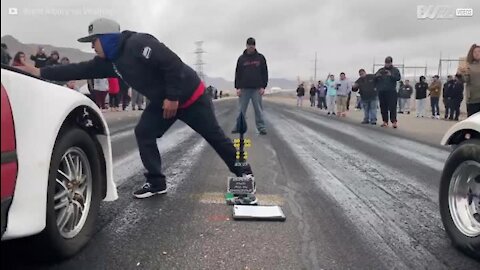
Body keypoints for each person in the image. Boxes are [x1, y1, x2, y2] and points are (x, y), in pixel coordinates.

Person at [18, 18, 255, 198]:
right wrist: (40, 72)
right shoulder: (109, 62)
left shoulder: (138, 43)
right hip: (163, 103)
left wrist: (173, 97)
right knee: (144, 132)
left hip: (191, 97)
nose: (92, 47)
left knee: (214, 137)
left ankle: (245, 175)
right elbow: (78, 70)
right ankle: (157, 182)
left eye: (94, 41)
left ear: (108, 38)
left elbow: (172, 65)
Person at [233, 37, 268, 135]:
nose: (251, 47)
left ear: (255, 46)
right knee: (241, 110)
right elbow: (237, 73)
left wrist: (263, 86)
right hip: (244, 89)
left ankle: (261, 128)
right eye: (249, 46)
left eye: (252, 46)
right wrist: (238, 87)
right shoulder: (241, 59)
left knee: (258, 110)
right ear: (246, 46)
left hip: (257, 89)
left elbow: (264, 73)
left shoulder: (260, 58)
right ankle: (238, 127)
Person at [375, 56, 401, 128]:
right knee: (383, 107)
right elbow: (375, 78)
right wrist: (377, 76)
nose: (387, 64)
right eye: (386, 63)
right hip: (382, 91)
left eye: (388, 63)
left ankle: (394, 122)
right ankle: (385, 121)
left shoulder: (395, 70)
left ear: (391, 63)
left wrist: (391, 75)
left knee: (392, 107)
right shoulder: (381, 70)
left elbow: (398, 78)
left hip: (391, 91)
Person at [458, 44, 480, 116]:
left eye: (479, 51)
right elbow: (465, 80)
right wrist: (460, 74)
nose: (477, 53)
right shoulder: (468, 65)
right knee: (473, 123)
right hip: (473, 99)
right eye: (475, 52)